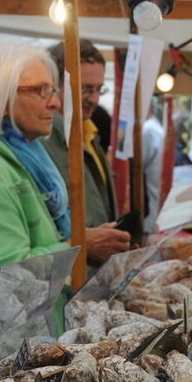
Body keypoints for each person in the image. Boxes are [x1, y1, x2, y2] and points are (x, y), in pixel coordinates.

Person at [0, 44, 100, 382]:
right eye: (42, 91)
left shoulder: (23, 158)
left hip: (22, 351)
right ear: (1, 97)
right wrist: (80, 246)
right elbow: (11, 278)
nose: (54, 102)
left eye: (52, 90)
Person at [43, 40, 130, 264]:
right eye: (85, 88)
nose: (93, 98)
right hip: (69, 271)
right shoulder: (43, 141)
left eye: (98, 89)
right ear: (54, 85)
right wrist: (84, 242)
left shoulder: (90, 133)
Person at [142, 100, 166, 232]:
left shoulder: (148, 131)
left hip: (149, 206)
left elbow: (137, 165)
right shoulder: (158, 129)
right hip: (154, 204)